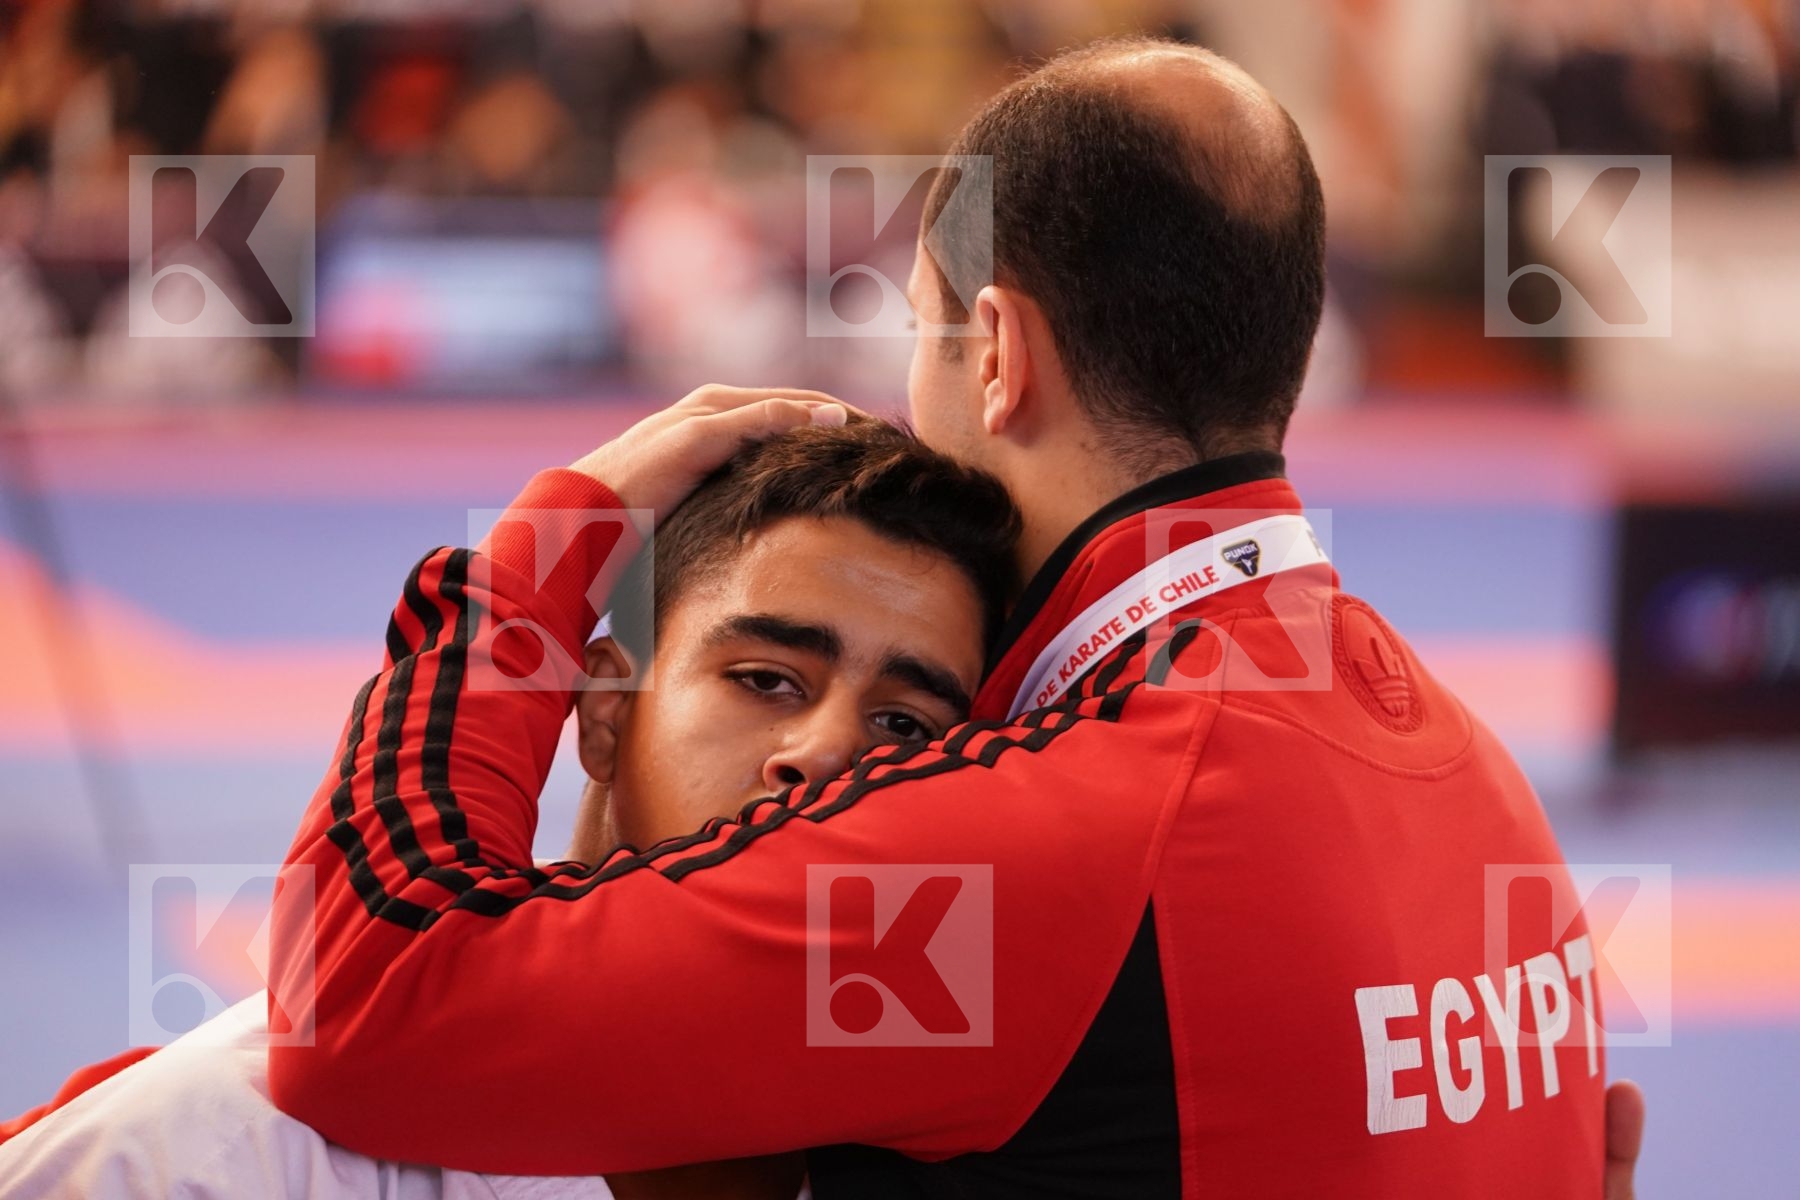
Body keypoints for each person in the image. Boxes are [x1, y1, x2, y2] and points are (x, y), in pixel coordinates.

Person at [262, 37, 1644, 1199]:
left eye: (918, 331)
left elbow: (364, 1008)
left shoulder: (1052, 826)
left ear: (997, 355)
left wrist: (546, 547)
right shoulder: (1478, 781)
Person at [0, 420, 1016, 1200]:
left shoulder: (976, 1159)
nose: (827, 755)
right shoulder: (236, 1149)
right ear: (607, 710)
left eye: (905, 726)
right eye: (766, 679)